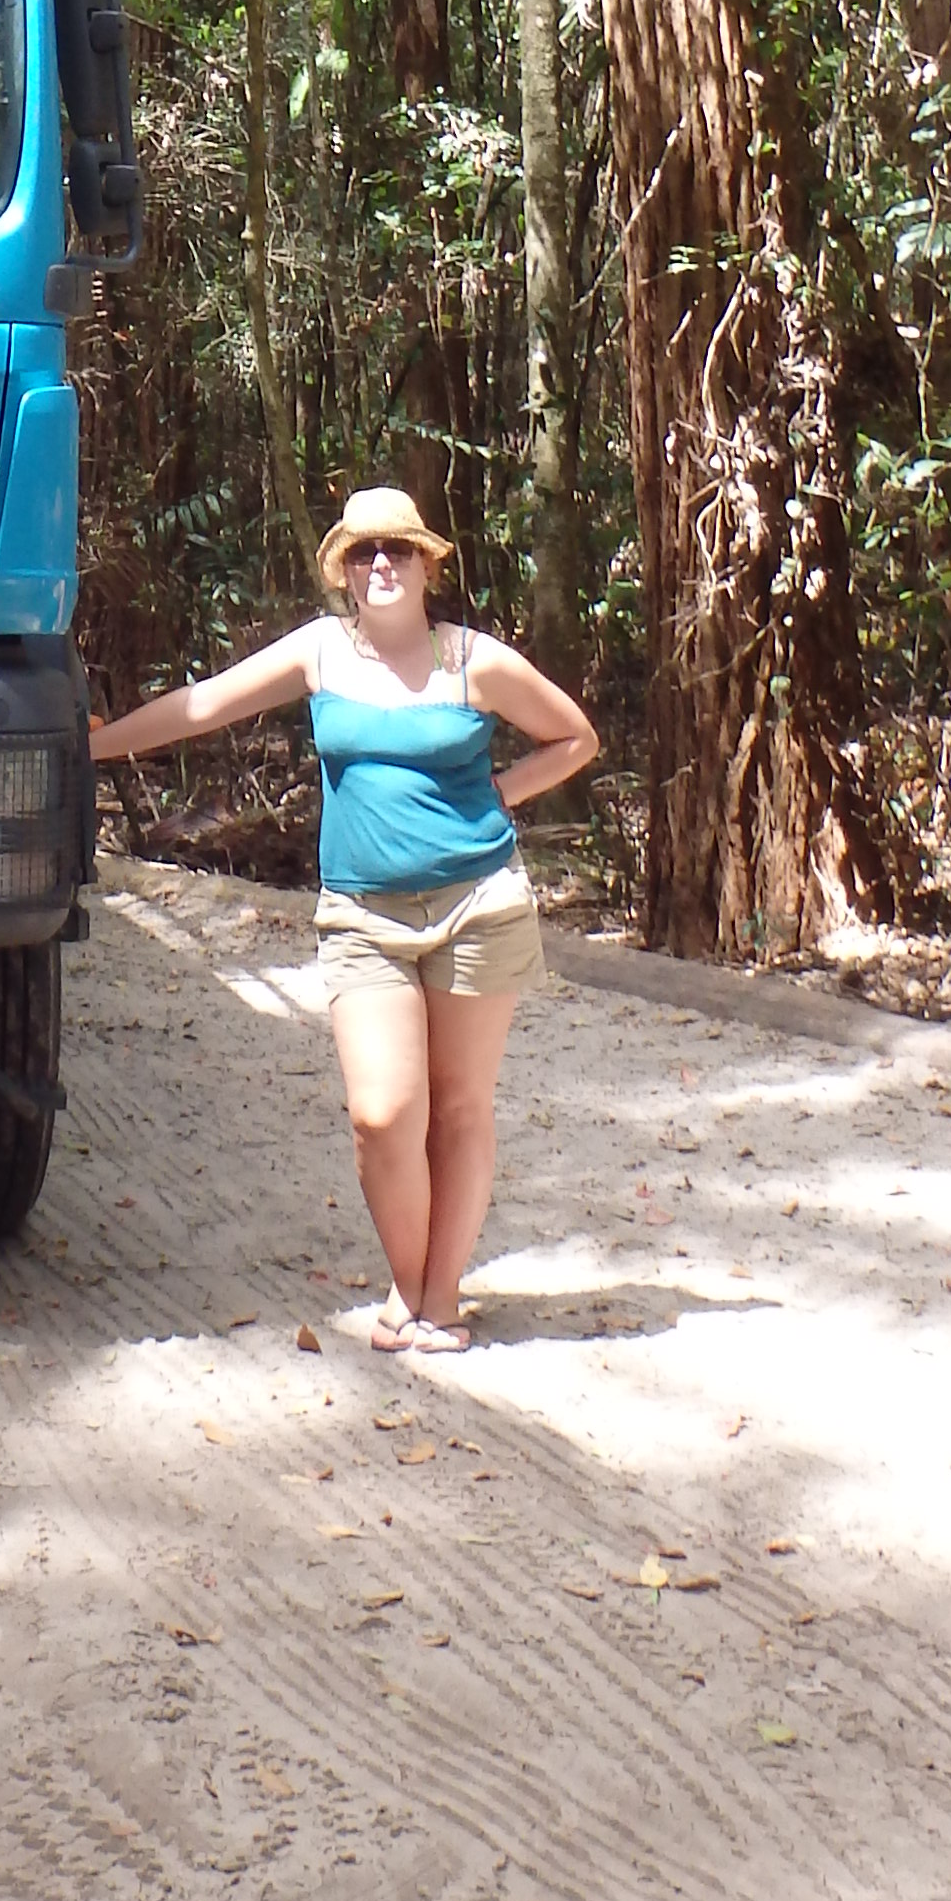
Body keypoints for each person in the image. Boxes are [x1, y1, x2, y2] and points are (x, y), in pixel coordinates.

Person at [90, 485, 598, 1352]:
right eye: (363, 554)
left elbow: (576, 738)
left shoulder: (477, 661)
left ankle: (437, 1304)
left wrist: (501, 796)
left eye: (397, 550)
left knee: (461, 1108)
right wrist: (88, 742)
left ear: (428, 563)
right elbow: (206, 703)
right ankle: (411, 1283)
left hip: (480, 904)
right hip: (362, 917)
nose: (381, 565)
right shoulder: (321, 652)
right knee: (381, 1113)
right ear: (344, 574)